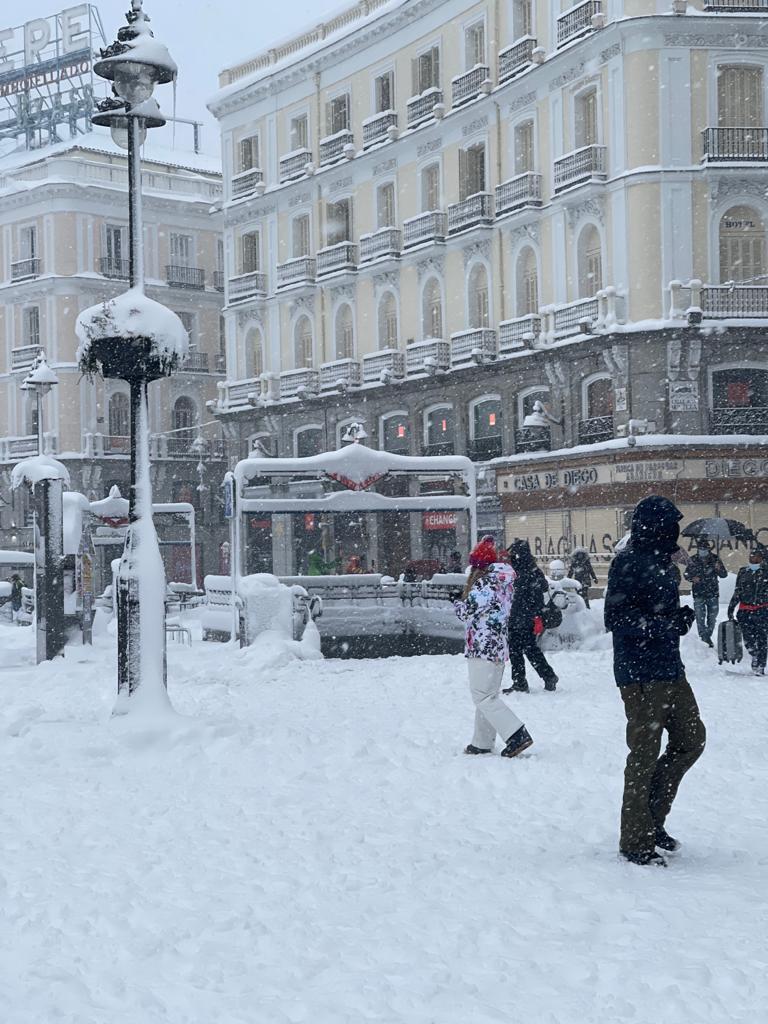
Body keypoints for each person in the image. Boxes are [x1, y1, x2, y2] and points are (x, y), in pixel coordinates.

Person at [604, 496, 705, 867]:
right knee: (643, 757)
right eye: (669, 526)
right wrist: (666, 625)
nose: (674, 533)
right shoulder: (628, 562)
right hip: (640, 675)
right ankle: (635, 840)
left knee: (692, 740)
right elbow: (616, 618)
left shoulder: (664, 561)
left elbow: (650, 610)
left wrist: (676, 616)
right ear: (653, 528)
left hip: (669, 668)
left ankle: (650, 820)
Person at [453, 538, 533, 758]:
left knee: (483, 697)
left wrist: (457, 601)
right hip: (496, 647)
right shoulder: (502, 581)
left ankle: (516, 734)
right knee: (487, 695)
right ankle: (482, 742)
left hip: (482, 647)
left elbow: (466, 612)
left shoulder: (485, 584)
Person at [504, 539, 558, 693]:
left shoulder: (517, 571)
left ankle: (523, 680)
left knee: (519, 650)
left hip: (519, 616)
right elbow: (541, 589)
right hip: (526, 616)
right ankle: (545, 676)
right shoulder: (532, 569)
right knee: (528, 649)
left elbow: (526, 593)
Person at [727, 546, 768, 676]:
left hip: (762, 611)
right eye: (751, 555)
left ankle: (760, 665)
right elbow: (737, 590)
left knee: (762, 639)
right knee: (748, 638)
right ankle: (754, 654)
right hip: (745, 611)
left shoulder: (766, 572)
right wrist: (731, 608)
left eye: (756, 556)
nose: (752, 558)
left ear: (762, 558)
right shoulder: (743, 571)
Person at [684, 540, 727, 648]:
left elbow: (724, 575)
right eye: (700, 549)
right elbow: (686, 574)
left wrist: (719, 568)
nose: (702, 551)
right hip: (698, 592)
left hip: (712, 592)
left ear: (708, 549)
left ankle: (707, 634)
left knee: (712, 617)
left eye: (704, 549)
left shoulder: (715, 559)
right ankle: (704, 637)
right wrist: (692, 578)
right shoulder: (693, 559)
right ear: (698, 549)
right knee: (700, 617)